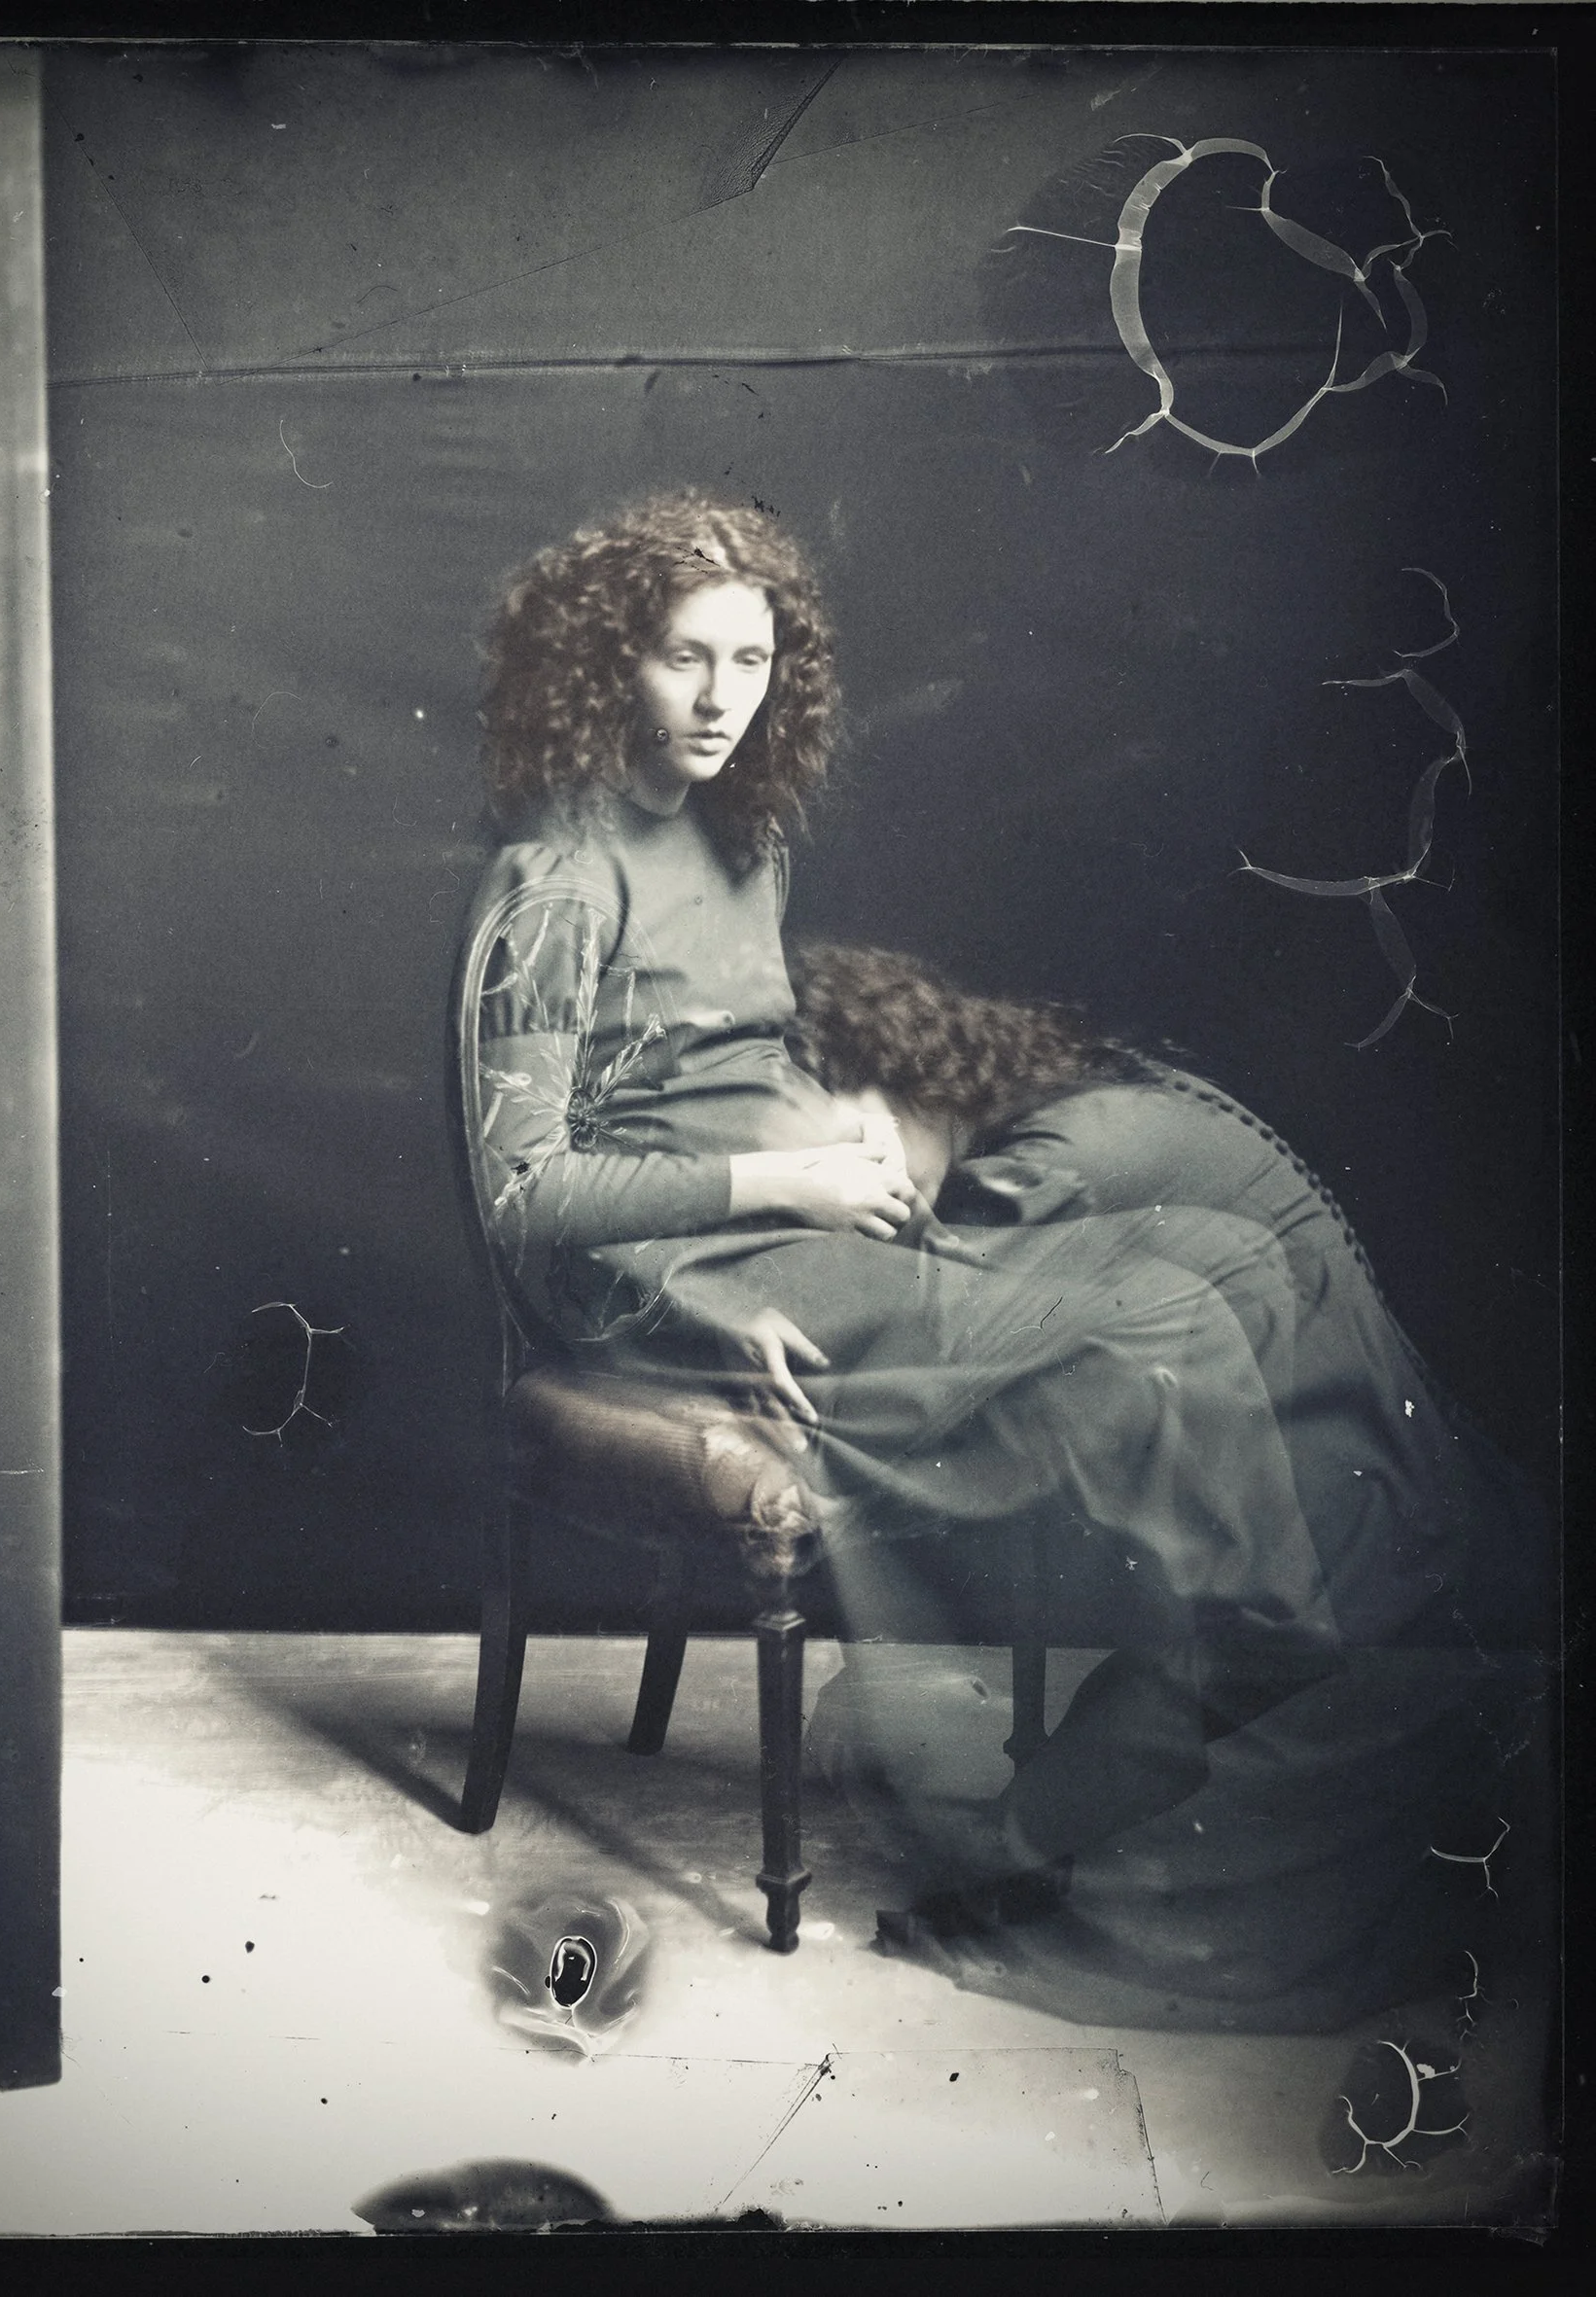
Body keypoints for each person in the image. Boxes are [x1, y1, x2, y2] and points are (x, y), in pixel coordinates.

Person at [460, 491, 1518, 2024]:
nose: (715, 700)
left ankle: (1216, 1675)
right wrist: (762, 1228)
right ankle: (1130, 1759)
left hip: (790, 1231)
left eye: (748, 661)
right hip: (666, 1290)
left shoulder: (738, 847)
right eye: (681, 657)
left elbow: (732, 1076)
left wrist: (843, 1156)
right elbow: (524, 1200)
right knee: (1157, 1334)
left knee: (1219, 1266)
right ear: (606, 658)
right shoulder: (555, 885)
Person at [786, 940, 1550, 2031]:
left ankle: (1028, 1854)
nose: (873, 1183)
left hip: (1328, 1488)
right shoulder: (1054, 1095)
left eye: (858, 1135)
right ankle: (1036, 1837)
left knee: (1164, 1841)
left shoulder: (1037, 1171)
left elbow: (904, 1371)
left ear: (895, 1063)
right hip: (1370, 1445)